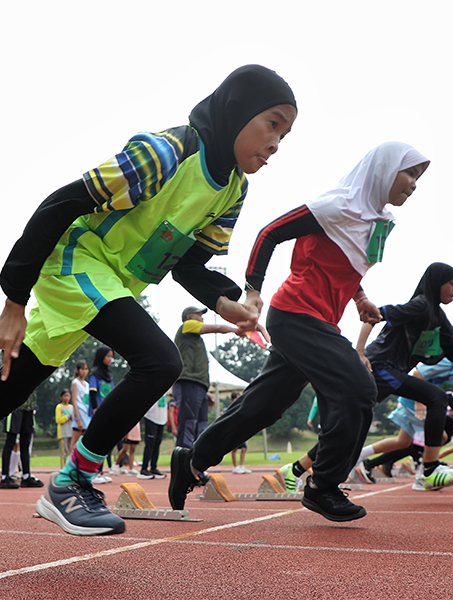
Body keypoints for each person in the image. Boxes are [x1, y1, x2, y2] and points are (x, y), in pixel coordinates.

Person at [0, 64, 297, 538]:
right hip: (75, 260)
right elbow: (58, 205)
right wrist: (13, 303)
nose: (275, 145)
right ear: (236, 109)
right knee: (160, 361)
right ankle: (73, 480)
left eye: (285, 136)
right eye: (272, 124)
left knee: (15, 383)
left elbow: (190, 265)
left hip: (112, 284)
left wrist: (229, 305)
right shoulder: (167, 152)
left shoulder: (233, 191)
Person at [169, 141, 430, 522]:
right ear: (384, 170)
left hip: (319, 321)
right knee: (359, 390)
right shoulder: (338, 205)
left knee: (263, 406)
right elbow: (269, 233)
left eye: (419, 177)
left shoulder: (380, 220)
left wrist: (360, 298)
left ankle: (191, 460)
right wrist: (253, 292)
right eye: (410, 173)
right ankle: (323, 486)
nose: (414, 184)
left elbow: (347, 263)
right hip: (295, 315)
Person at [355, 263, 453, 492]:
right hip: (379, 365)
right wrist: (360, 352)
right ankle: (429, 470)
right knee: (436, 397)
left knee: (348, 423)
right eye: (452, 283)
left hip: (391, 372)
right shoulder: (421, 305)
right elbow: (373, 315)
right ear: (436, 283)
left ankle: (298, 469)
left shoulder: (437, 316)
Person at [173, 306, 245, 448]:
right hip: (188, 383)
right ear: (189, 317)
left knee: (201, 427)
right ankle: (182, 466)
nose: (202, 318)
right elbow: (217, 328)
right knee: (188, 424)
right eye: (198, 315)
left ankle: (195, 467)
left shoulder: (195, 339)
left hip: (197, 385)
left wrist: (205, 392)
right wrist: (235, 329)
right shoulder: (187, 326)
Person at [0, 394, 44, 489]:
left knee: (25, 444)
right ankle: (5, 477)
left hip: (29, 407)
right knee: (10, 442)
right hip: (14, 406)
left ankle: (26, 476)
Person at [88, 347, 115, 484]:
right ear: (100, 357)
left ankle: (100, 471)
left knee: (105, 443)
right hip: (97, 412)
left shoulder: (109, 375)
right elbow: (93, 393)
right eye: (108, 356)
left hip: (108, 412)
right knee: (97, 442)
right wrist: (95, 410)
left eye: (111, 356)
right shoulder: (94, 374)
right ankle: (93, 472)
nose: (110, 359)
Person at [137, 393, 168, 479]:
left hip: (162, 417)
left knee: (157, 443)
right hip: (151, 417)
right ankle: (144, 469)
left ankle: (153, 468)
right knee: (150, 443)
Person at [226, 392, 251, 474]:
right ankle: (235, 466)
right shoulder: (231, 408)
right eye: (236, 398)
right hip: (233, 431)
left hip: (240, 430)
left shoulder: (241, 407)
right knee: (234, 449)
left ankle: (241, 465)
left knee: (244, 448)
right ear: (232, 399)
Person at [70, 360, 90, 451]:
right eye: (82, 369)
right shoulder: (75, 383)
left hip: (86, 414)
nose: (84, 371)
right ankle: (70, 463)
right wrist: (78, 419)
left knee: (83, 442)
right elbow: (74, 401)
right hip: (78, 413)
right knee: (75, 441)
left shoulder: (87, 384)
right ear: (77, 370)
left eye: (86, 369)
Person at [55, 389, 73, 467]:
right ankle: (63, 468)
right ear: (61, 397)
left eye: (68, 396)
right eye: (65, 396)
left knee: (72, 451)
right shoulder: (59, 407)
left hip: (71, 432)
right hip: (63, 433)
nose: (66, 398)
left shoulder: (71, 407)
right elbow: (58, 420)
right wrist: (68, 416)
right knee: (63, 453)